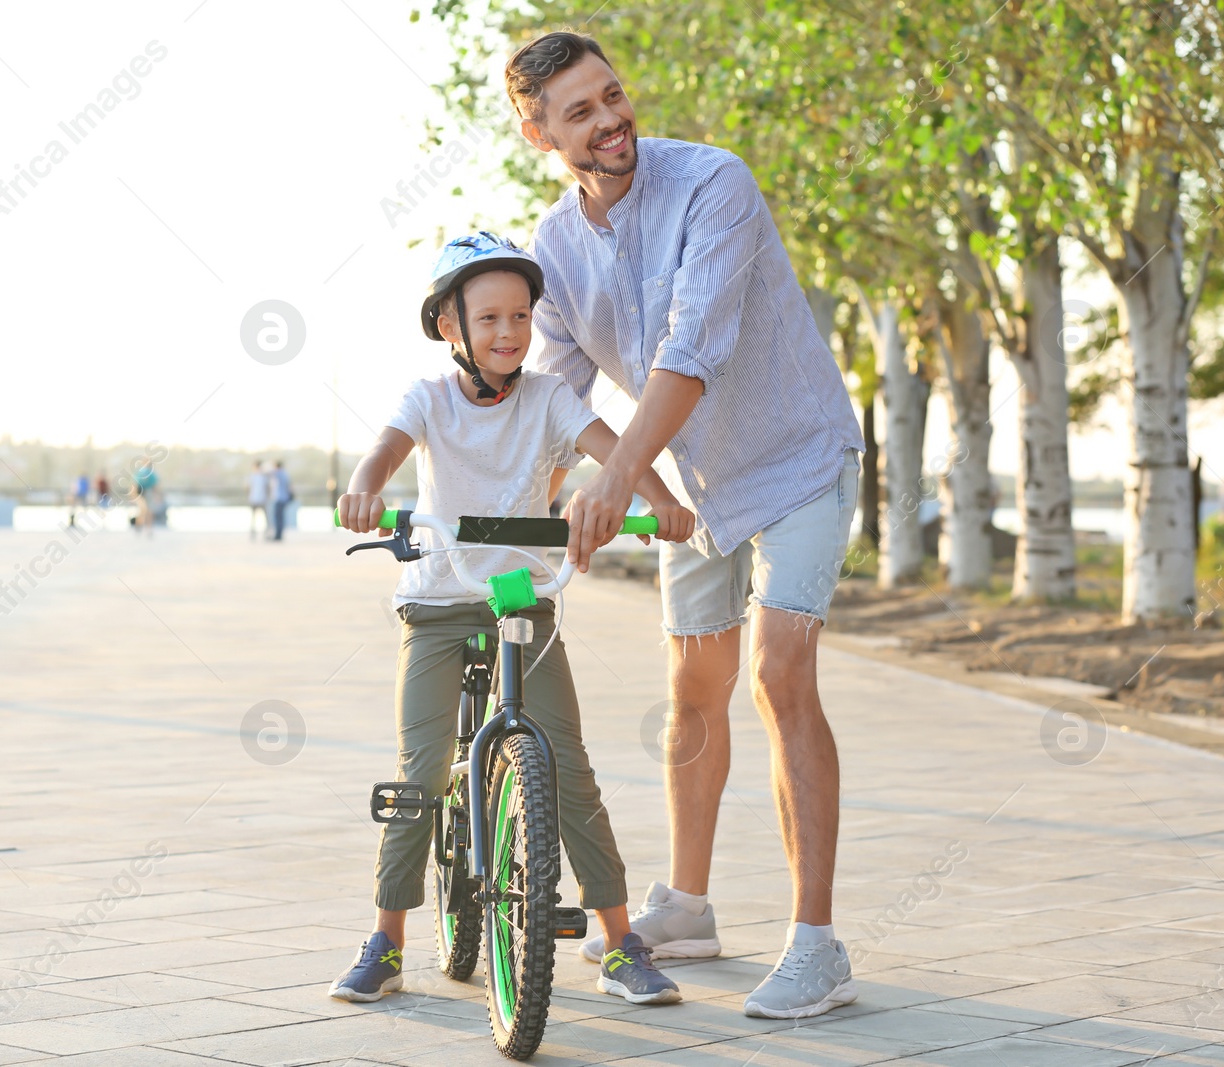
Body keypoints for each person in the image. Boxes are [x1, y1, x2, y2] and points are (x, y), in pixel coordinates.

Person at [506, 32, 866, 1019]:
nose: (610, 119)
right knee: (693, 688)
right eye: (579, 111)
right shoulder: (551, 248)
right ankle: (690, 904)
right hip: (695, 487)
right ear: (538, 131)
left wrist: (616, 478)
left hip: (797, 462)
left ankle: (816, 944)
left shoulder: (714, 182)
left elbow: (690, 349)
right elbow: (553, 393)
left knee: (778, 671)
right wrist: (518, 492)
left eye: (611, 95)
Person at [329, 232, 696, 1006]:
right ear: (449, 327)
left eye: (521, 316)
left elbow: (614, 452)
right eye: (489, 318)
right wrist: (365, 489)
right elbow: (383, 454)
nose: (509, 333)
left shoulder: (550, 398)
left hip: (524, 601)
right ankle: (387, 939)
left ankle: (622, 941)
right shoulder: (427, 399)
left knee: (565, 763)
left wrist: (659, 501)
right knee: (422, 770)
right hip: (437, 601)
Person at [271, 460, 294, 540]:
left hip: (279, 498)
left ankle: (278, 535)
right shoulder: (285, 474)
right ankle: (279, 534)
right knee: (281, 517)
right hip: (285, 498)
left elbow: (267, 472)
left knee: (277, 517)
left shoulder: (278, 473)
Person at [247, 460, 269, 539]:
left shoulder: (255, 476)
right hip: (258, 499)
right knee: (259, 518)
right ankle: (258, 533)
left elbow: (248, 487)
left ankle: (259, 533)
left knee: (258, 518)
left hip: (258, 499)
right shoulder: (262, 476)